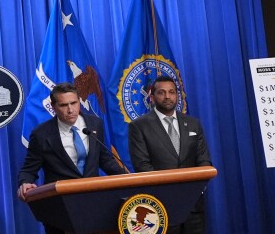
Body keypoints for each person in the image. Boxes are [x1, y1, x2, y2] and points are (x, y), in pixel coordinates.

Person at [18, 82, 127, 234]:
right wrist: (25, 182)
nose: (70, 110)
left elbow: (105, 159)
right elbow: (29, 169)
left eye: (74, 103)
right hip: (60, 208)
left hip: (93, 203)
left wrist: (128, 180)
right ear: (54, 107)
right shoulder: (41, 134)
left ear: (79, 102)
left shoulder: (95, 124)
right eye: (63, 105)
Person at [128, 75, 212, 234]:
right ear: (152, 97)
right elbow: (142, 166)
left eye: (172, 92)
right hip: (161, 206)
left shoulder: (193, 123)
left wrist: (196, 189)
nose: (167, 96)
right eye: (161, 92)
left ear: (177, 95)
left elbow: (204, 160)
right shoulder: (139, 126)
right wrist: (171, 192)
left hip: (193, 204)